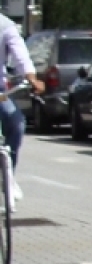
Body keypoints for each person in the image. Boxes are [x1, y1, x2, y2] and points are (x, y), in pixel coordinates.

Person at [0, 15, 45, 206]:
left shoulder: (4, 25)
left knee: (16, 122)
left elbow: (21, 55)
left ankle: (8, 176)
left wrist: (31, 77)